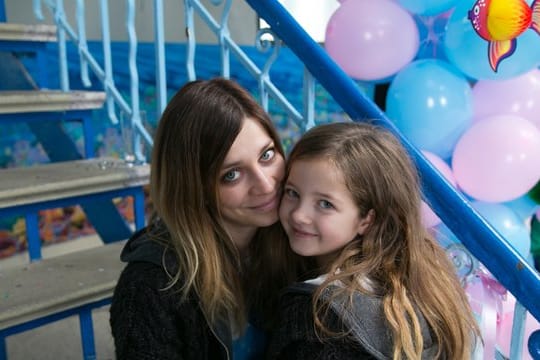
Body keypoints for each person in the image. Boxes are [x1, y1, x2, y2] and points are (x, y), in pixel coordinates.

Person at [110, 78, 306, 359]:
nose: (265, 185)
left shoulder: (295, 238)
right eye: (232, 174)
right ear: (194, 189)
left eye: (267, 155)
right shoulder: (149, 286)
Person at [267, 122, 481, 359]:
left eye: (325, 204)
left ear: (367, 219)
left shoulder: (318, 316)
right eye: (292, 193)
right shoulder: (429, 277)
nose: (299, 214)